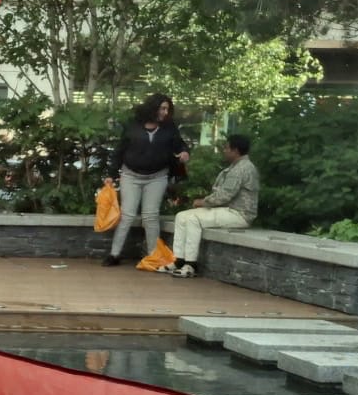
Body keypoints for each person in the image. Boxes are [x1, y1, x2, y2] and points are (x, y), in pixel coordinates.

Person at [102, 93, 189, 267]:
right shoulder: (133, 125)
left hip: (157, 177)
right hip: (130, 175)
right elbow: (120, 150)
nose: (165, 112)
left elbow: (179, 144)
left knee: (151, 216)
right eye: (162, 108)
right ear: (153, 107)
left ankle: (153, 256)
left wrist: (185, 152)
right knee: (127, 215)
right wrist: (111, 174)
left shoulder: (169, 126)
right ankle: (114, 254)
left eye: (167, 109)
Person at [163, 134, 259, 279]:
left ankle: (191, 265)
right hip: (226, 210)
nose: (224, 151)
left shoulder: (242, 169)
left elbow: (224, 196)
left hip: (238, 214)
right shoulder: (236, 167)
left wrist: (202, 202)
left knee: (193, 218)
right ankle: (179, 260)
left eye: (227, 148)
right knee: (181, 216)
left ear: (236, 150)